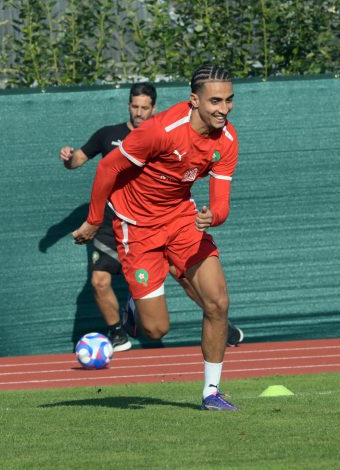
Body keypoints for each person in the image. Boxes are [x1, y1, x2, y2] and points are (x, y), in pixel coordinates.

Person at [72, 64, 240, 410]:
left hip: (182, 220)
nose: (223, 109)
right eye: (215, 101)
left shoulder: (227, 140)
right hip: (138, 227)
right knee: (155, 330)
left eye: (229, 100)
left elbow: (221, 203)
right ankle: (136, 308)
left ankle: (212, 392)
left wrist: (214, 216)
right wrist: (92, 220)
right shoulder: (160, 131)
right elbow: (107, 168)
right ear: (194, 100)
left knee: (218, 302)